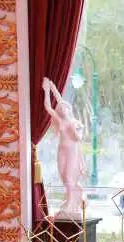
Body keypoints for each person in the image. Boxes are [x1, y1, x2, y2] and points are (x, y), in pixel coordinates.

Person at [42, 77, 86, 218]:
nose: (63, 109)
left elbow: (78, 138)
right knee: (63, 176)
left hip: (72, 152)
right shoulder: (59, 120)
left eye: (65, 107)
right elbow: (49, 108)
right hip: (62, 151)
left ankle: (71, 203)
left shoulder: (74, 122)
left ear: (69, 109)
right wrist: (47, 90)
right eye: (61, 108)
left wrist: (54, 87)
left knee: (69, 177)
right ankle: (70, 199)